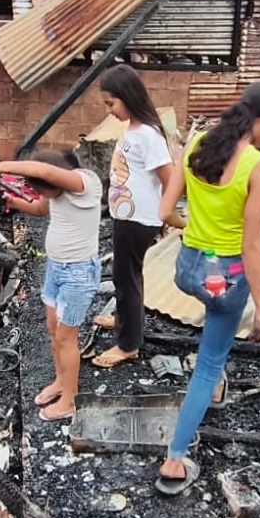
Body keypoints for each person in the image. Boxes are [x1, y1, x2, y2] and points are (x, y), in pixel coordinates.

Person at [154, 82, 260, 496]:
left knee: (214, 327)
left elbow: (164, 212)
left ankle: (215, 384)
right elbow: (251, 246)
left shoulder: (197, 148)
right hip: (226, 279)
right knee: (209, 358)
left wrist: (197, 233)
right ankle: (175, 457)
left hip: (189, 270)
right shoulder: (258, 164)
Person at [0, 149, 103, 423]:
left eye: (45, 189)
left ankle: (70, 399)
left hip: (78, 273)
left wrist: (1, 166)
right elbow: (38, 208)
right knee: (52, 328)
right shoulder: (55, 194)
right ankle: (61, 380)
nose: (45, 195)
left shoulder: (84, 184)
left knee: (66, 337)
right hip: (56, 269)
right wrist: (9, 200)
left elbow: (47, 173)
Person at [90, 64, 174, 369]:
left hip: (138, 219)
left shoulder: (148, 136)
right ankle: (124, 320)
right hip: (128, 216)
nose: (109, 110)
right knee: (126, 276)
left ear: (128, 96)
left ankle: (128, 345)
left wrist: (166, 215)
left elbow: (170, 178)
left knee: (127, 278)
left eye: (111, 103)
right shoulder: (135, 130)